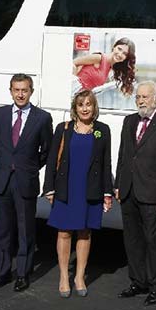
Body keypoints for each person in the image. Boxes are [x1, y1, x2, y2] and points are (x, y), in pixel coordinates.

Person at [115, 80, 156, 306]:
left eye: (145, 96)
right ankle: (138, 281)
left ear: (155, 98)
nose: (141, 101)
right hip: (128, 190)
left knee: (152, 240)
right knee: (132, 239)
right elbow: (123, 155)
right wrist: (118, 184)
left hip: (152, 192)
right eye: (138, 97)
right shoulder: (129, 121)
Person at [43, 90, 113, 298]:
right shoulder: (63, 129)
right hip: (66, 188)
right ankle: (64, 276)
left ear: (94, 107)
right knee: (64, 232)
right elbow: (52, 160)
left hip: (90, 189)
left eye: (88, 104)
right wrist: (49, 187)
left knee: (85, 232)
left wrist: (107, 192)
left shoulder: (102, 130)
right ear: (75, 108)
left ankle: (79, 276)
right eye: (81, 104)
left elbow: (106, 162)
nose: (85, 108)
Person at [0, 74, 53, 292]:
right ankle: (3, 272)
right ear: (11, 91)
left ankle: (23, 274)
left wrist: (30, 167)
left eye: (24, 90)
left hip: (25, 180)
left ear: (31, 91)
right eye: (16, 90)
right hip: (2, 180)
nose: (20, 94)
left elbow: (46, 150)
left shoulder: (42, 118)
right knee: (3, 230)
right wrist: (0, 165)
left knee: (25, 231)